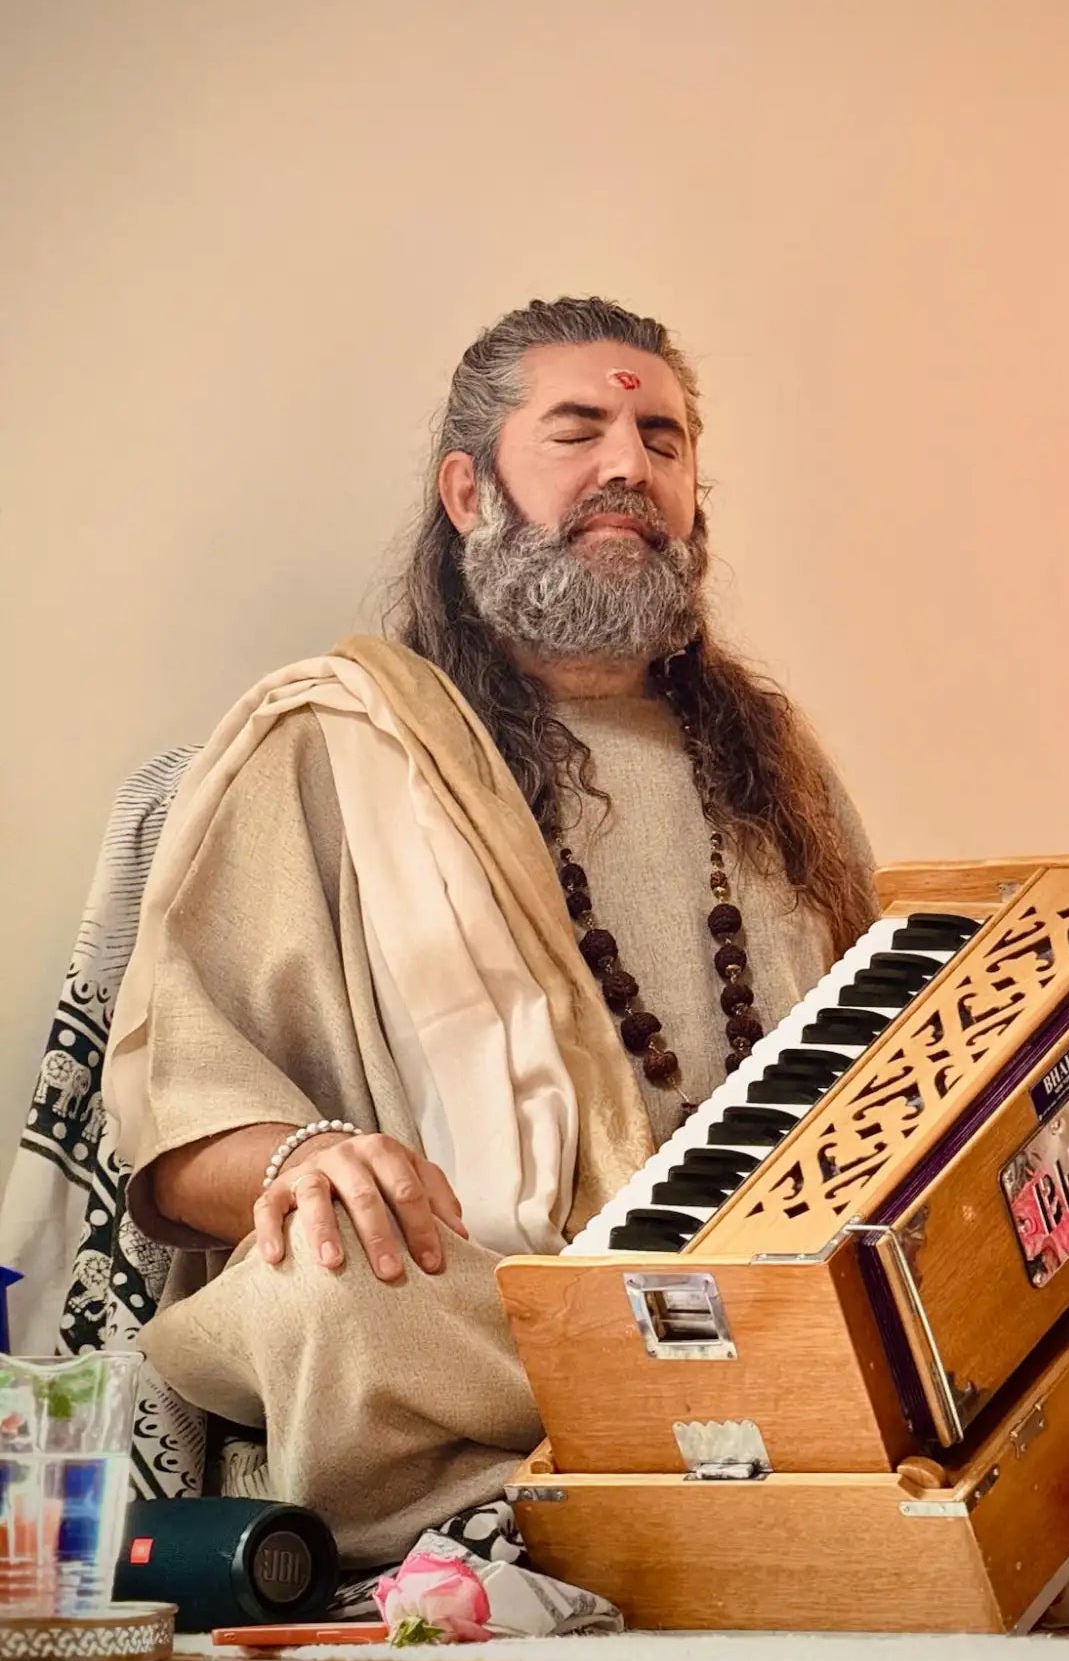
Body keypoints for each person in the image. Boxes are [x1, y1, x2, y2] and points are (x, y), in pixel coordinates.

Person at [102, 297, 878, 1560]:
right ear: (468, 490)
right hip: (504, 1319)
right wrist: (312, 1151)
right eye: (578, 430)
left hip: (764, 1301)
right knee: (327, 1301)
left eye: (664, 439)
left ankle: (699, 1462)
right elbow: (174, 1139)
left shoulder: (774, 766)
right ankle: (605, 1496)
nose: (630, 464)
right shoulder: (335, 744)